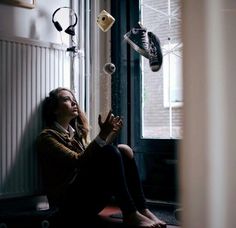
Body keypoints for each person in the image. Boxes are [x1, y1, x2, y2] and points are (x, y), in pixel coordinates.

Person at [37, 87, 166, 228]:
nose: (74, 102)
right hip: (68, 206)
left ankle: (141, 209)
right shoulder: (47, 137)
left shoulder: (76, 135)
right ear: (55, 109)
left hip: (88, 200)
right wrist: (102, 135)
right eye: (67, 99)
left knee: (124, 150)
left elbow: (96, 159)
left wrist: (110, 134)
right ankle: (130, 214)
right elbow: (78, 161)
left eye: (74, 99)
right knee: (110, 150)